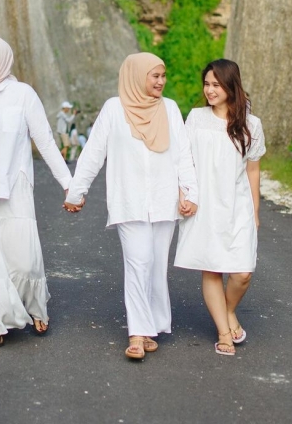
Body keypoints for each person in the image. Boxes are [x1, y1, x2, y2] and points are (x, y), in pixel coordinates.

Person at [64, 53, 198, 360]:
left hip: (165, 201)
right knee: (139, 261)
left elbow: (183, 154)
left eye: (163, 76)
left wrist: (191, 192)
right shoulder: (114, 109)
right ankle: (138, 332)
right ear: (137, 76)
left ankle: (153, 326)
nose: (161, 82)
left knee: (155, 265)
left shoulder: (170, 109)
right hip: (129, 200)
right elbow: (93, 151)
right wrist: (76, 192)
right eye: (155, 76)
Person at [0, 36, 72, 353]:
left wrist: (70, 184)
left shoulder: (22, 95)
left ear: (1, 61)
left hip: (13, 188)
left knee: (23, 260)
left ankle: (34, 305)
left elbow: (45, 141)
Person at [174, 59, 265, 356]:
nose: (210, 90)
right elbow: (182, 162)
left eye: (216, 85)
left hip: (237, 206)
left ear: (231, 86)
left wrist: (255, 211)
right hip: (204, 206)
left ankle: (228, 311)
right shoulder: (196, 118)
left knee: (242, 273)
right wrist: (182, 194)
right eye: (207, 84)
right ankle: (224, 332)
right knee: (211, 269)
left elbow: (253, 170)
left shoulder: (252, 124)